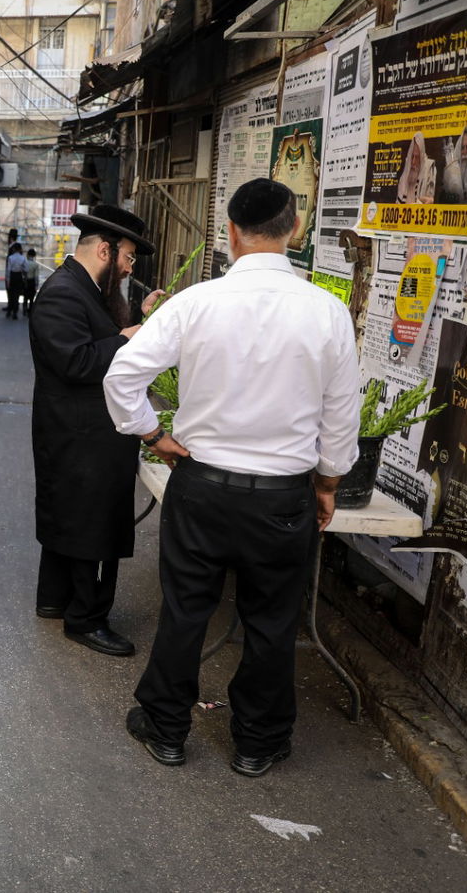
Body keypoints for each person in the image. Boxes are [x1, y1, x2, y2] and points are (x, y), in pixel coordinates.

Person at [104, 178, 359, 777]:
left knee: (186, 608)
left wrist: (151, 434)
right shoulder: (326, 310)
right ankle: (257, 742)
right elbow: (340, 414)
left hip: (202, 487)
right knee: (271, 621)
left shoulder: (196, 303)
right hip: (282, 498)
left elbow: (121, 376)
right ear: (294, 230)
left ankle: (166, 730)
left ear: (231, 233)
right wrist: (327, 483)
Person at [28, 204, 162, 657]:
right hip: (80, 434)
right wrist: (126, 340)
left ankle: (55, 600)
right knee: (90, 524)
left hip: (82, 432)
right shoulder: (62, 292)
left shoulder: (84, 288)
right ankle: (85, 618)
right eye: (126, 258)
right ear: (104, 250)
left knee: (72, 516)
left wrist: (134, 319)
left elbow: (99, 332)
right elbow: (76, 361)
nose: (128, 268)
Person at [5, 243, 28, 320]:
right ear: (20, 249)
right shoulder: (23, 258)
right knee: (17, 295)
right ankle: (15, 312)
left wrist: (8, 280)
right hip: (19, 276)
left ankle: (9, 311)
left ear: (14, 249)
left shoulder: (10, 258)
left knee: (11, 294)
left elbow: (8, 270)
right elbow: (26, 269)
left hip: (12, 276)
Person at [21, 247, 38, 315]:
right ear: (34, 255)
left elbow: (22, 273)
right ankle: (30, 310)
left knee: (25, 297)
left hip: (25, 281)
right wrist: (36, 285)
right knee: (31, 298)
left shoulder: (25, 263)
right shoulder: (35, 264)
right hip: (32, 281)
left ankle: (24, 309)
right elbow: (36, 276)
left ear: (28, 254)